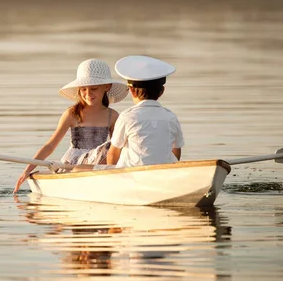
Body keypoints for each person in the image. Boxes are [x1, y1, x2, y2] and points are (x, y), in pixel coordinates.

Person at [13, 59, 128, 193]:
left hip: (98, 162)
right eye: (83, 89)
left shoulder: (112, 116)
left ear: (106, 87)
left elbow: (116, 149)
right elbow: (50, 145)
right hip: (74, 163)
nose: (88, 94)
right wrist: (27, 170)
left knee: (114, 145)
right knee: (110, 147)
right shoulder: (72, 114)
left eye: (94, 89)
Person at [75, 55, 184, 171]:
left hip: (131, 174)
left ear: (131, 91)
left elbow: (113, 153)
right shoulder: (171, 117)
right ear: (161, 91)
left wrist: (113, 176)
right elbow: (176, 150)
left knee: (78, 169)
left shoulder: (127, 117)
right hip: (163, 172)